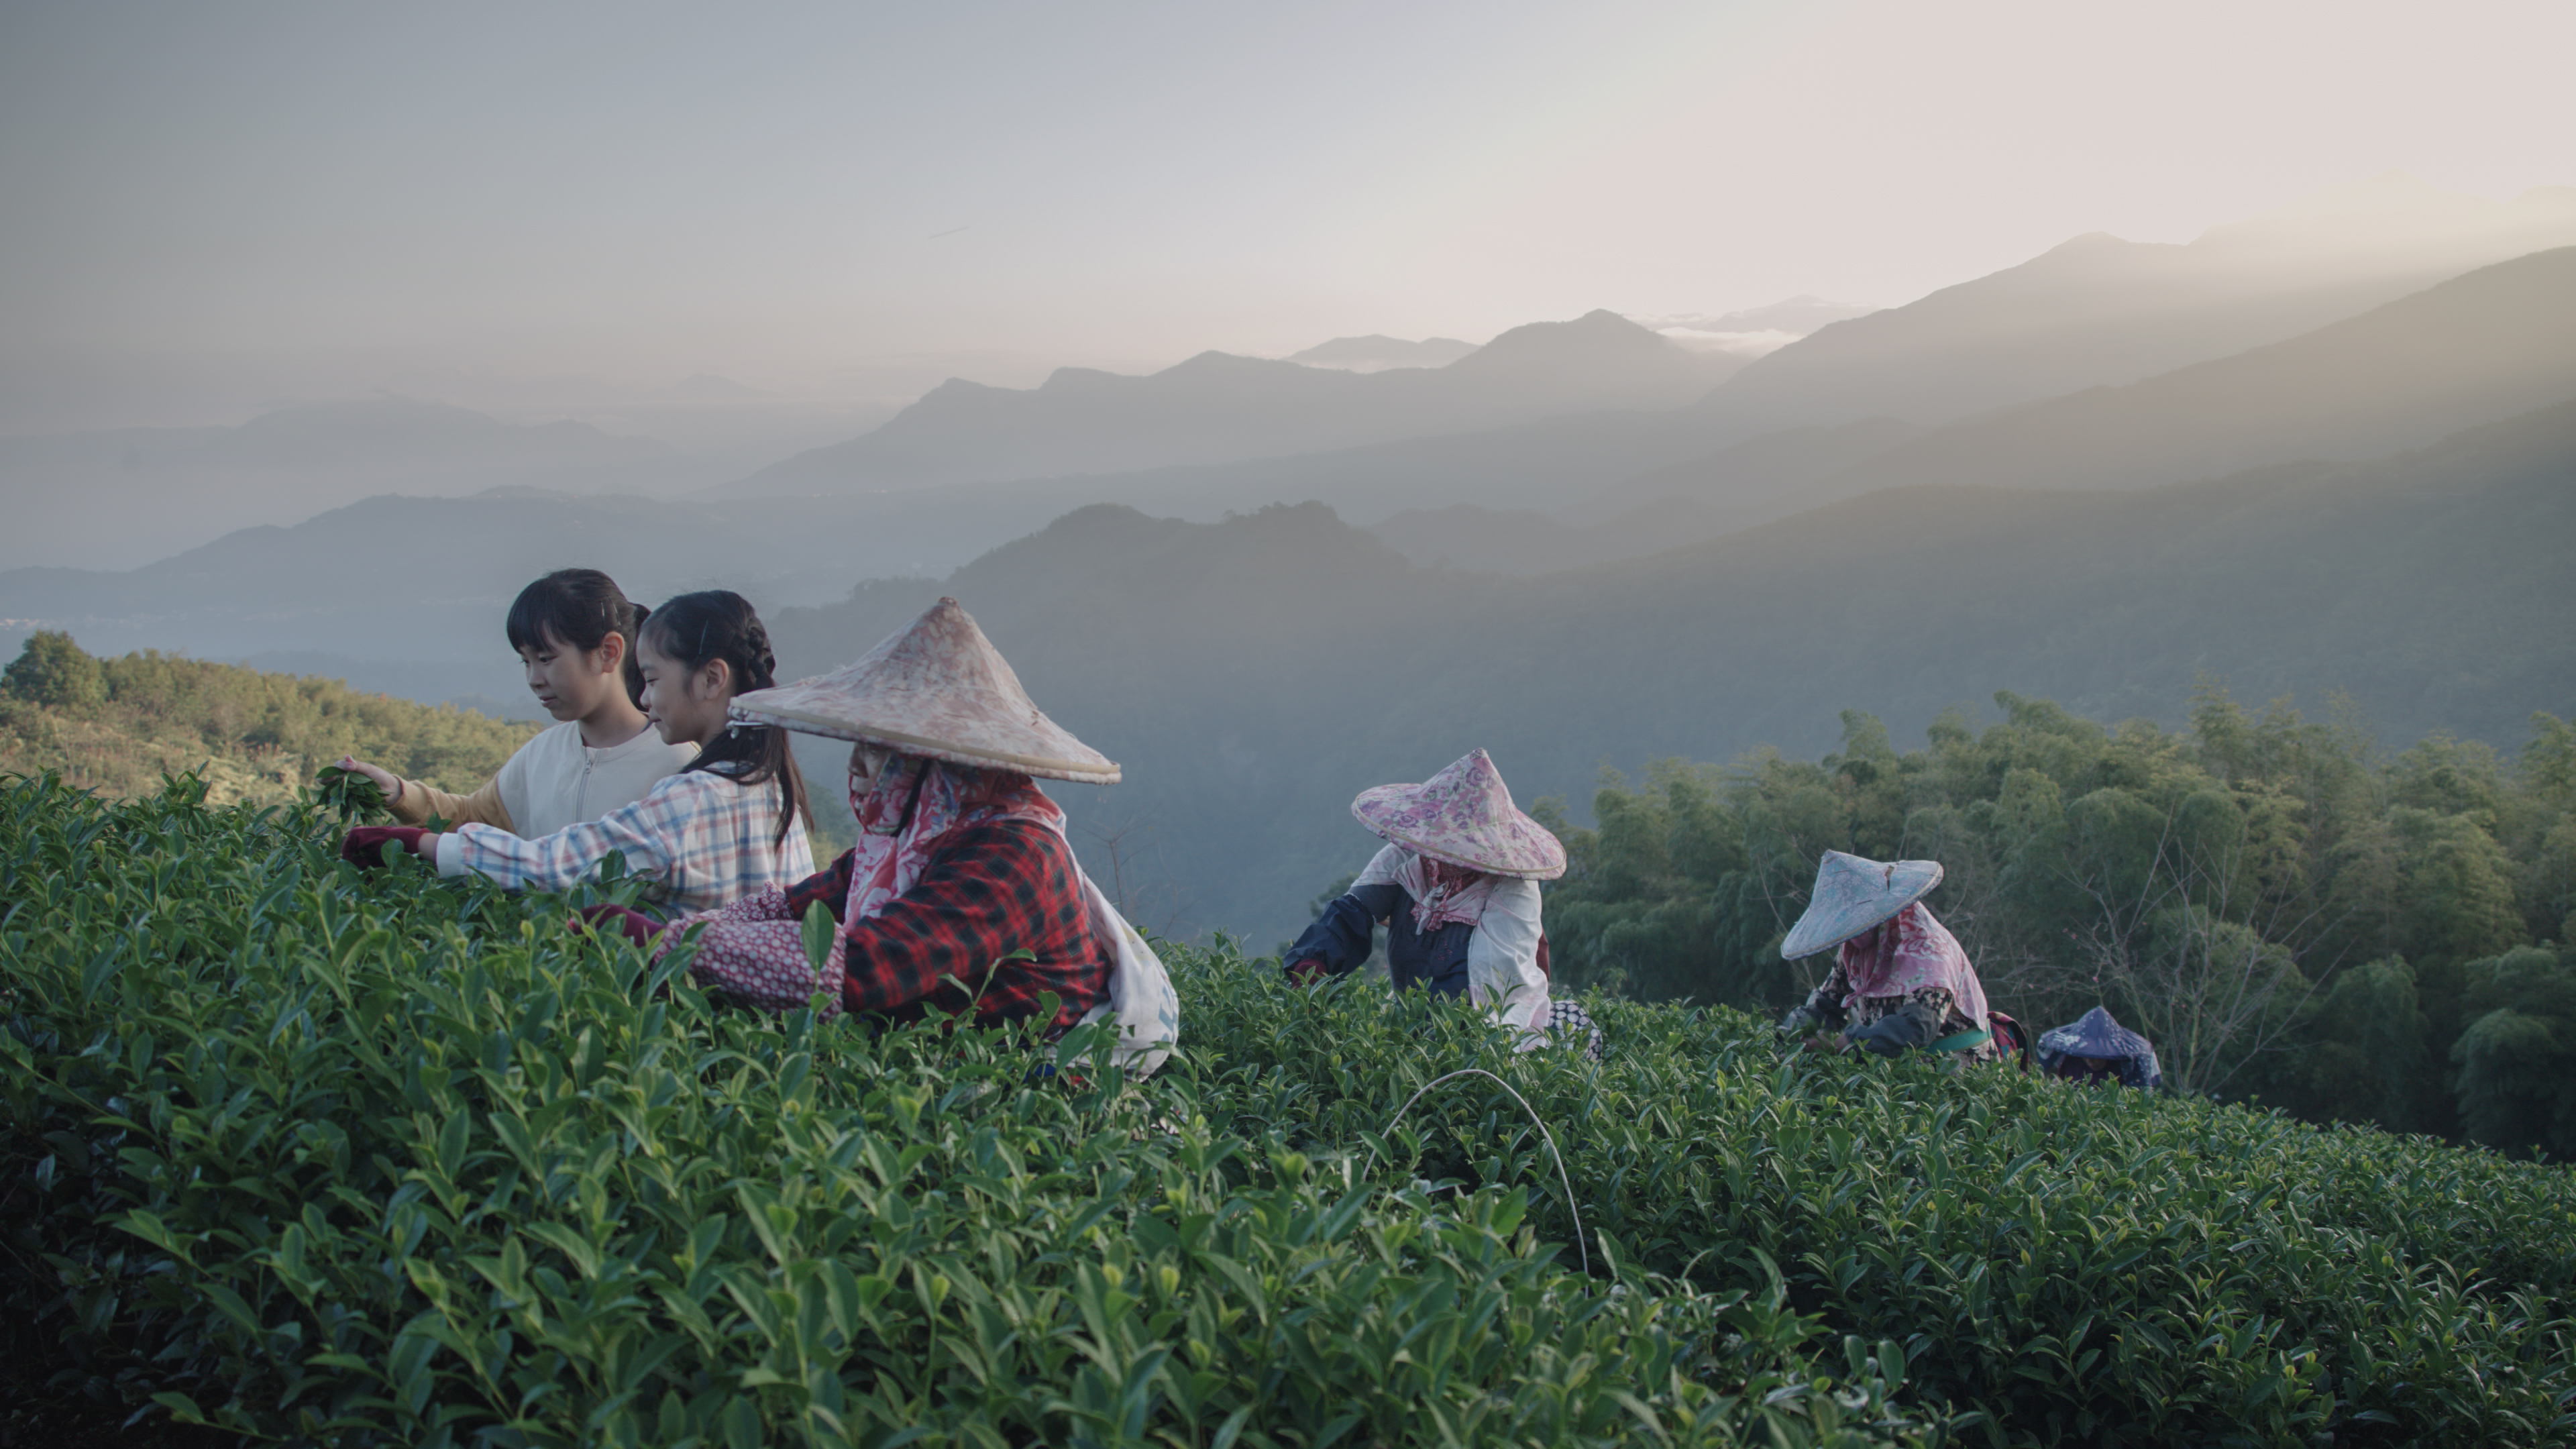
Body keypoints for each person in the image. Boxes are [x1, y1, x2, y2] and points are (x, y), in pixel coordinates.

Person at [635, 597, 1178, 1071]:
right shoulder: (913, 842)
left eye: (880, 751)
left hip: (1037, 1099)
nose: (857, 766)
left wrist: (666, 945)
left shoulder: (1014, 855)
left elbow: (868, 968)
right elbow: (799, 905)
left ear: (938, 763)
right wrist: (669, 934)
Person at [340, 590, 813, 911]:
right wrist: (401, 795)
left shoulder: (689, 795)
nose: (645, 697)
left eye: (652, 680)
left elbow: (555, 866)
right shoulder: (771, 782)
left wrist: (419, 845)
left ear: (711, 679)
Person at [1283, 749, 1600, 1057]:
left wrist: (1424, 1042)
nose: (1446, 854)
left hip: (1490, 1027)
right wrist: (1313, 965)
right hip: (1413, 1014)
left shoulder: (1513, 890)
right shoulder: (1408, 855)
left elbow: (1485, 984)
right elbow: (1354, 910)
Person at [333, 568, 695, 836]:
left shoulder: (677, 765)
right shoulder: (542, 754)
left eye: (546, 658)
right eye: (526, 661)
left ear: (608, 652)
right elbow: (471, 819)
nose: (534, 678)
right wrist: (397, 793)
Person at [1776, 850, 2002, 1063]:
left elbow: (1917, 1027)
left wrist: (1844, 1042)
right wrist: (1792, 1033)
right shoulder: (1854, 952)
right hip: (1898, 1070)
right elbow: (1827, 1004)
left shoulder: (1930, 953)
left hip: (1955, 1069)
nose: (1852, 932)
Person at [2037, 1006, 2163, 1090]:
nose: (2090, 1061)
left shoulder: (2124, 1065)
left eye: (2095, 1057)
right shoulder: (2072, 1061)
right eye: (2085, 1056)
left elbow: (2138, 1096)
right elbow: (2059, 1084)